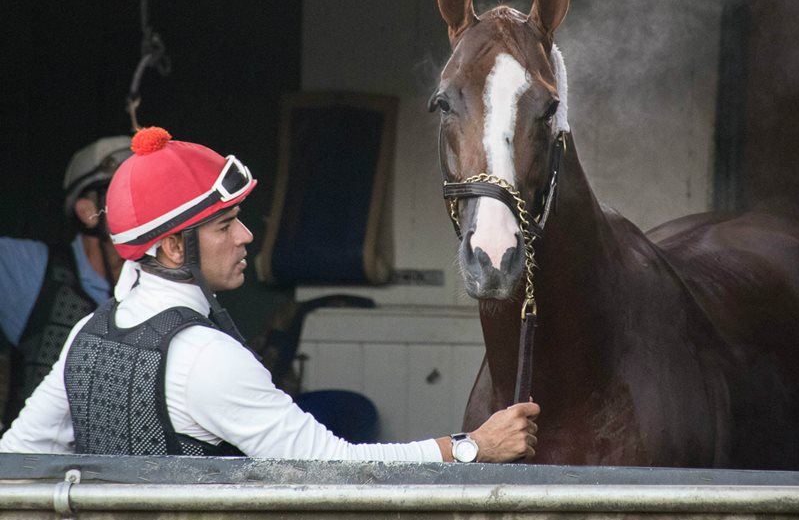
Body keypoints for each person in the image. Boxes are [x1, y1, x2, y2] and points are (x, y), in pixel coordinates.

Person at [0, 127, 538, 462]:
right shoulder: (205, 359)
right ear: (169, 249)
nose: (246, 236)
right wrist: (471, 447)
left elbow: (15, 458)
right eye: (224, 225)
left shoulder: (85, 335)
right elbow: (334, 468)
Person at [0, 136, 132, 428]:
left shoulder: (161, 285)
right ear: (88, 211)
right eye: (127, 192)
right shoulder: (34, 270)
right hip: (35, 470)